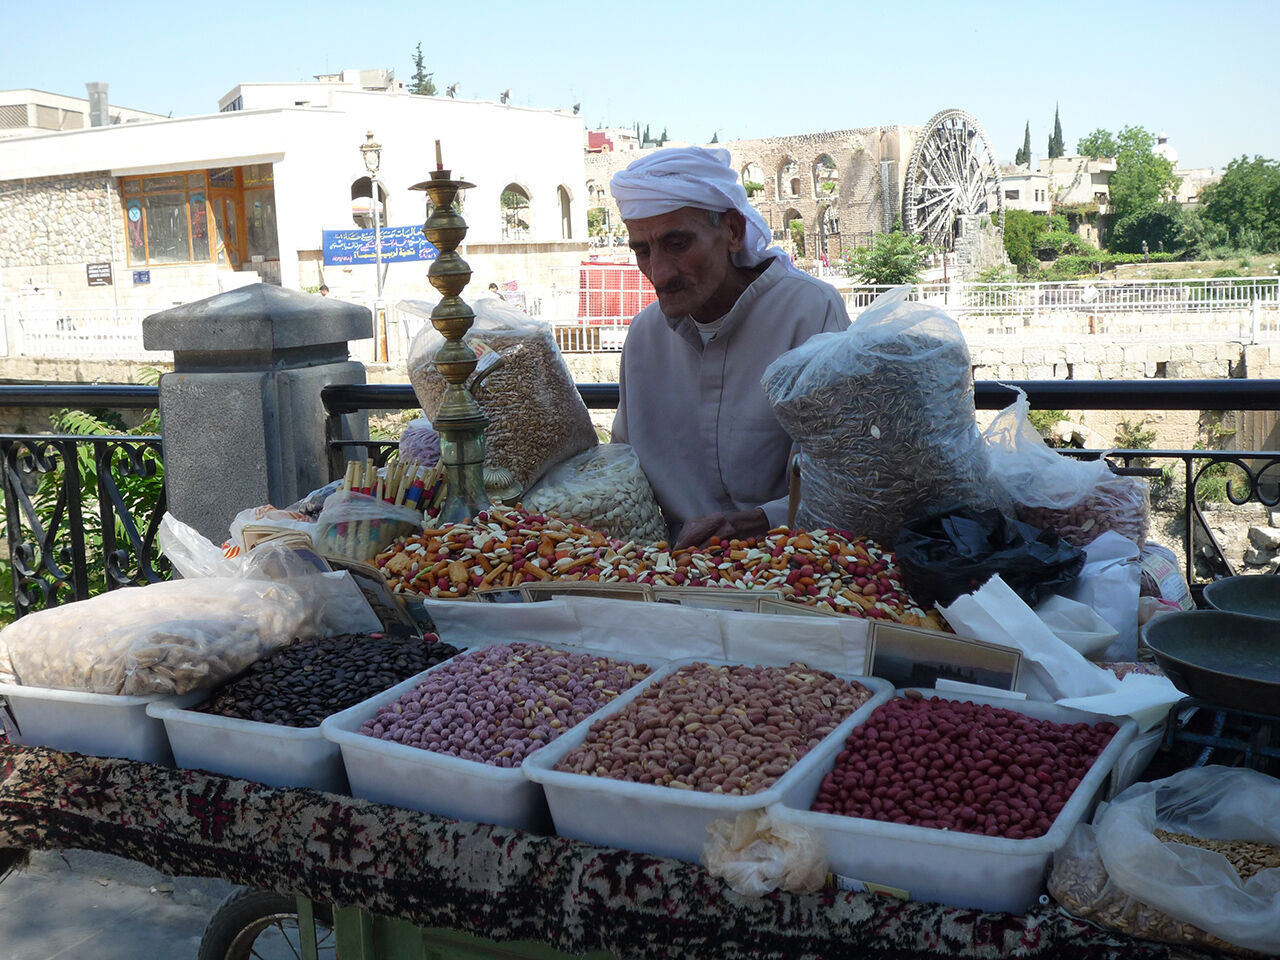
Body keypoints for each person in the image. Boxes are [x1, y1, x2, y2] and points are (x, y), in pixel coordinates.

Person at [610, 146, 850, 549]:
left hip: (791, 570)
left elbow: (840, 476)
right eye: (643, 250)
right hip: (671, 578)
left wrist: (750, 526)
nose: (660, 273)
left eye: (677, 243)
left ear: (733, 232)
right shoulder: (643, 337)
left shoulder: (810, 313)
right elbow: (620, 475)